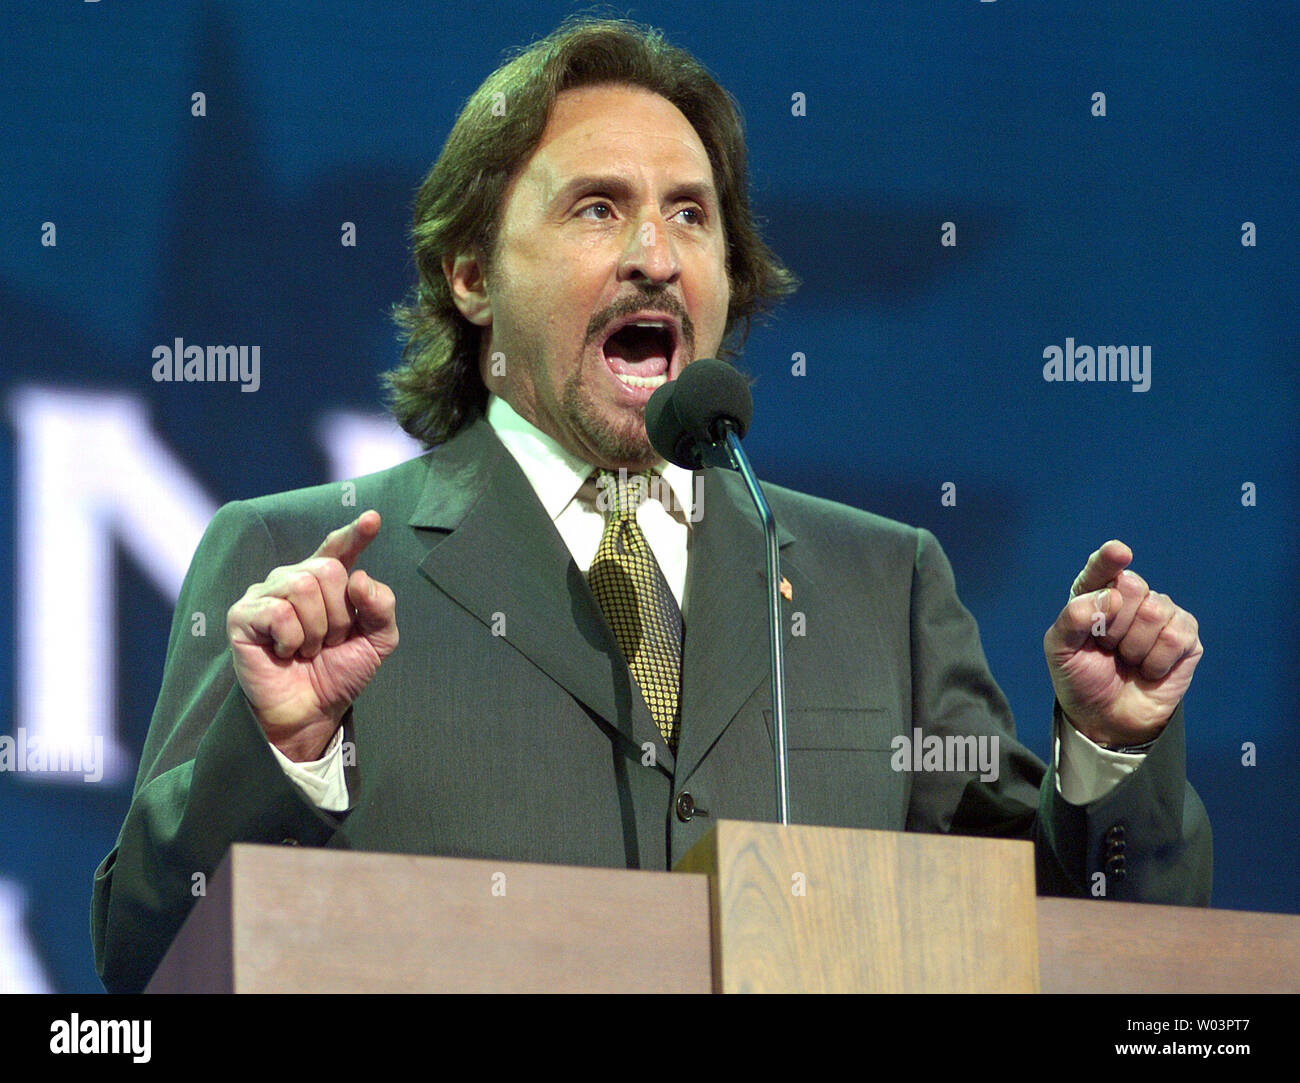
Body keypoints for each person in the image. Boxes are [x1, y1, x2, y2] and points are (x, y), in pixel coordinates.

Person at [91, 17, 1211, 994]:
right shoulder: (295, 561)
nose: (655, 257)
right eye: (596, 209)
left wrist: (1109, 754)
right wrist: (282, 754)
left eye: (691, 215)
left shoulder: (879, 582)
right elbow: (143, 957)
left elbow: (1082, 941)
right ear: (471, 274)